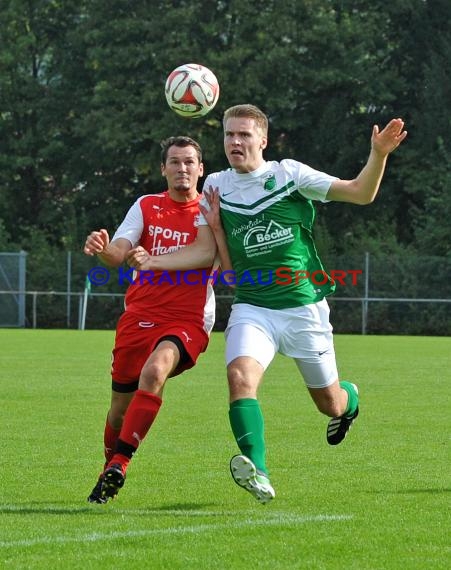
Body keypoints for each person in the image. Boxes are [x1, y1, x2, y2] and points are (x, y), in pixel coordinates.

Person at [130, 105, 407, 505]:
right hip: (252, 308)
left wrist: (378, 154)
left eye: (244, 135)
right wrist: (201, 237)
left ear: (263, 140)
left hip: (303, 309)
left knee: (329, 403)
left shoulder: (288, 175)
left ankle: (351, 400)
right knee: (239, 378)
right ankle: (258, 471)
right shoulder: (216, 188)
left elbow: (360, 193)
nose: (235, 142)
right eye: (229, 135)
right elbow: (224, 272)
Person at [83, 136, 217, 503]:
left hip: (187, 318)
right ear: (164, 169)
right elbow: (118, 254)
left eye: (190, 162)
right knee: (117, 414)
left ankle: (121, 463)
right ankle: (109, 468)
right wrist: (103, 248)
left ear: (201, 169)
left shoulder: (212, 211)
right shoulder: (146, 206)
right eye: (174, 162)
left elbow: (213, 259)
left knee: (155, 372)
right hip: (139, 315)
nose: (182, 168)